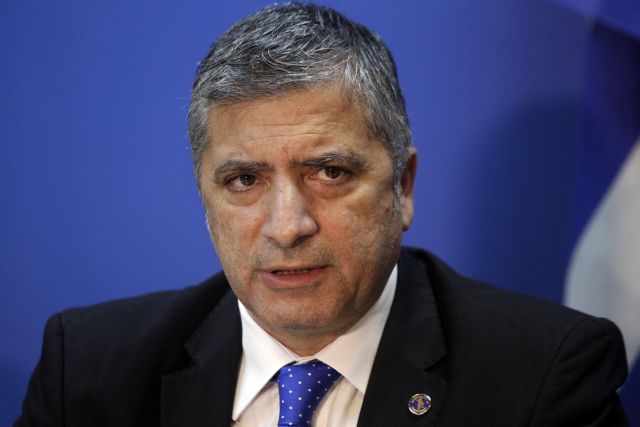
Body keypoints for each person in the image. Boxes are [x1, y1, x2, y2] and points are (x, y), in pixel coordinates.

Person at [16, 3, 629, 426]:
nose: (287, 227)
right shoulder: (89, 373)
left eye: (330, 173)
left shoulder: (544, 375)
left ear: (403, 187)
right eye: (244, 180)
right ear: (205, 197)